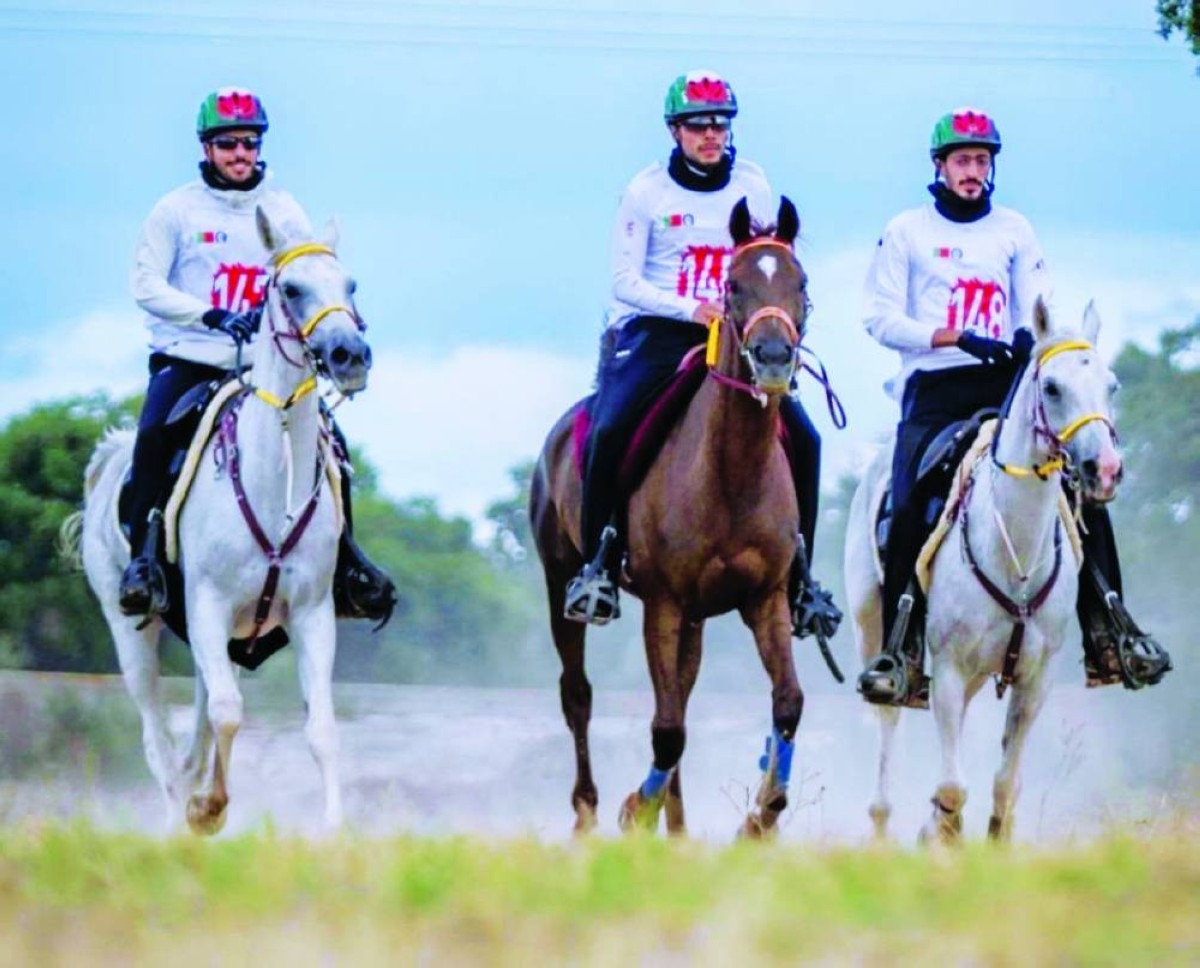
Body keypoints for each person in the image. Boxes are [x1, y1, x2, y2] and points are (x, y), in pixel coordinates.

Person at [857, 107, 1170, 704]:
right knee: (910, 495)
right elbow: (878, 317)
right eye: (962, 161)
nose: (973, 171)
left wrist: (1030, 338)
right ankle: (901, 651)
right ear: (940, 167)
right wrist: (951, 337)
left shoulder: (1014, 230)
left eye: (981, 161)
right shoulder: (906, 231)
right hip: (933, 386)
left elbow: (1036, 301)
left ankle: (1111, 633)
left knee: (1076, 489)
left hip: (1004, 381)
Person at [564, 69, 840, 642]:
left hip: (739, 336)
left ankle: (802, 576)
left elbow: (767, 258)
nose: (710, 135)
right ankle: (599, 564)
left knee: (806, 437)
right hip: (661, 330)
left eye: (719, 124)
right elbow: (622, 280)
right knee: (611, 426)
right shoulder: (646, 192)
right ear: (675, 131)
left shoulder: (753, 183)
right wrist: (690, 309)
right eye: (697, 126)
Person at [118, 86, 396, 624]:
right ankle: (143, 562)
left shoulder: (284, 208)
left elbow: (310, 275)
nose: (240, 154)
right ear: (207, 148)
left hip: (263, 366)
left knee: (332, 445)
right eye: (228, 145)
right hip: (193, 357)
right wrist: (211, 316)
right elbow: (145, 285)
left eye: (249, 143)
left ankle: (346, 566)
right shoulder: (175, 211)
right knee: (154, 436)